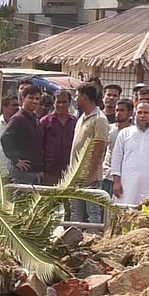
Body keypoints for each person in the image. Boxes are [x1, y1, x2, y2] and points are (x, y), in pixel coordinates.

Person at [111, 101, 149, 207]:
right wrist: (116, 182)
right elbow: (116, 159)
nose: (142, 116)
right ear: (134, 114)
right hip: (126, 185)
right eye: (139, 112)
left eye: (146, 113)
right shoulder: (124, 134)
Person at [69, 83, 110, 223]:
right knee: (75, 212)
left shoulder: (100, 119)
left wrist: (90, 175)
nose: (75, 99)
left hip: (90, 177)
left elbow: (99, 149)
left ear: (84, 97)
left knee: (93, 212)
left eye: (77, 96)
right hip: (75, 174)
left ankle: (94, 235)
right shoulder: (82, 117)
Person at [1, 84, 44, 184]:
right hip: (22, 172)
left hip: (34, 171)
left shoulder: (35, 119)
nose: (34, 101)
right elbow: (5, 139)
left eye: (37, 99)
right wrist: (16, 160)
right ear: (23, 98)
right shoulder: (18, 119)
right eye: (31, 98)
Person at [39, 89, 76, 184]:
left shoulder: (75, 122)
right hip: (49, 171)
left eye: (64, 102)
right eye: (58, 102)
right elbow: (39, 146)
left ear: (69, 103)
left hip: (70, 171)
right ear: (54, 103)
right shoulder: (45, 121)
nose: (61, 105)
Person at [102, 98, 133, 196]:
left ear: (130, 113)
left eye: (122, 110)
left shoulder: (133, 133)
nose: (118, 113)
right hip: (106, 175)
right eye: (117, 110)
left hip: (123, 178)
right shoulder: (109, 128)